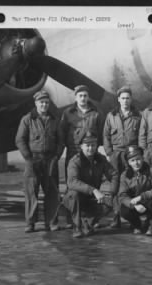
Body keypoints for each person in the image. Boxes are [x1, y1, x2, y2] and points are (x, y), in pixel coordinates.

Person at [15, 90, 63, 233]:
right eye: (41, 102)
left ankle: (52, 222)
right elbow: (20, 139)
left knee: (52, 192)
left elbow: (61, 141)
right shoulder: (27, 119)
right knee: (31, 192)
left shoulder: (55, 119)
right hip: (33, 159)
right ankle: (30, 223)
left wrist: (56, 157)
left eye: (46, 102)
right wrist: (28, 158)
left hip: (50, 160)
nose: (44, 105)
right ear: (36, 103)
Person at [59, 84, 104, 227]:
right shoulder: (68, 113)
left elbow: (102, 132)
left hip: (91, 154)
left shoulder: (96, 113)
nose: (83, 98)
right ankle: (70, 219)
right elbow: (62, 132)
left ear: (88, 97)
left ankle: (91, 218)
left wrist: (94, 149)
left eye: (85, 95)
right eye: (80, 96)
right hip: (74, 153)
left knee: (92, 184)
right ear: (75, 97)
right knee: (71, 186)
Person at [63, 131, 118, 238]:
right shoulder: (75, 161)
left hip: (92, 198)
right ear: (81, 146)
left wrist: (113, 192)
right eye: (87, 145)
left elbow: (114, 175)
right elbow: (72, 182)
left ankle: (88, 224)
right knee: (74, 194)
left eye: (93, 145)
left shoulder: (100, 159)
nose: (90, 148)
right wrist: (94, 190)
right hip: (76, 198)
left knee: (111, 201)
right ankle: (77, 226)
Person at [103, 86, 141, 229]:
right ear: (118, 99)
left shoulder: (138, 115)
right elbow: (106, 136)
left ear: (131, 99)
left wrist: (138, 154)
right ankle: (115, 216)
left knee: (132, 184)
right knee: (115, 185)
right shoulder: (111, 116)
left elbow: (141, 135)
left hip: (131, 154)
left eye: (127, 98)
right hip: (116, 155)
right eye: (123, 98)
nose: (125, 101)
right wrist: (109, 153)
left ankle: (132, 217)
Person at [118, 146, 152, 236]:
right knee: (123, 210)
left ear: (143, 158)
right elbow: (122, 195)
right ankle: (137, 225)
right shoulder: (125, 175)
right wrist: (133, 205)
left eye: (138, 159)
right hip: (136, 205)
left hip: (149, 203)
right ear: (128, 163)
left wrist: (142, 197)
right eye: (132, 161)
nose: (136, 163)